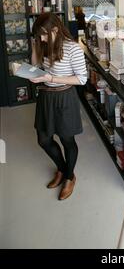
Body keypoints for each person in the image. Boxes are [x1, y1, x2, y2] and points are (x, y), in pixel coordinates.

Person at [30, 13, 87, 200]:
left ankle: (70, 177)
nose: (42, 38)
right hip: (47, 95)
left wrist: (51, 78)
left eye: (44, 35)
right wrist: (35, 46)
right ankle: (62, 170)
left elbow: (81, 78)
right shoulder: (44, 44)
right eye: (39, 36)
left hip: (64, 96)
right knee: (43, 139)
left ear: (55, 30)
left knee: (67, 140)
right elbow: (36, 65)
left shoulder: (73, 49)